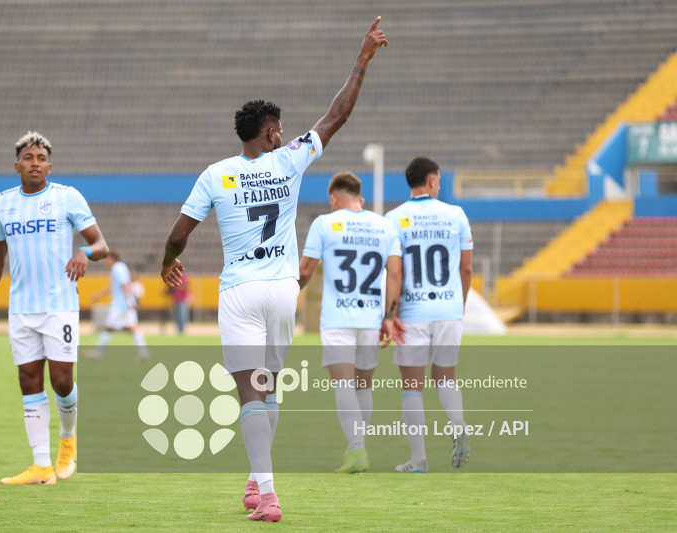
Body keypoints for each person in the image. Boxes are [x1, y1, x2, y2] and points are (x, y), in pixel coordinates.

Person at [160, 17, 388, 522]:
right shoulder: (289, 160)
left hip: (239, 290)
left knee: (248, 392)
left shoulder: (215, 174)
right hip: (285, 290)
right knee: (270, 386)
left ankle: (267, 492)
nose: (283, 133)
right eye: (279, 128)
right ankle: (256, 478)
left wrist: (168, 265)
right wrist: (362, 60)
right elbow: (337, 114)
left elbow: (179, 234)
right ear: (269, 133)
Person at [0, 132, 109, 485]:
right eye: (28, 157)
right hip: (21, 309)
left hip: (60, 306)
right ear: (17, 164)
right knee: (28, 380)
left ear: (49, 165)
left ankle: (68, 442)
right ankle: (40, 466)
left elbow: (101, 244)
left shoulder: (67, 198)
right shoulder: (2, 203)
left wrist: (83, 252)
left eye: (40, 158)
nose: (34, 162)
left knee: (61, 380)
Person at [298, 171, 404, 474]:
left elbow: (305, 271)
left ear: (334, 199)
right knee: (363, 386)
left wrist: (286, 292)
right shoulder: (385, 227)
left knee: (343, 384)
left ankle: (357, 449)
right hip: (371, 318)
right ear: (362, 199)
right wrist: (389, 315)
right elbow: (395, 274)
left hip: (337, 318)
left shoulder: (324, 223)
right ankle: (357, 448)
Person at [384, 156, 473, 473]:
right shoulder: (456, 214)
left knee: (412, 386)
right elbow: (466, 267)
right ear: (433, 181)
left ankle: (419, 459)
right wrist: (458, 306)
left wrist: (389, 314)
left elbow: (394, 273)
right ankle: (459, 424)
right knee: (446, 377)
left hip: (412, 311)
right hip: (449, 308)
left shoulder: (393, 219)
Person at [87, 250, 150, 360]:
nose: (104, 262)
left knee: (109, 328)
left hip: (121, 305)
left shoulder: (118, 268)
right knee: (132, 328)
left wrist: (129, 302)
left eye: (105, 259)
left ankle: (98, 353)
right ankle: (144, 353)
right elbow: (114, 287)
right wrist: (99, 296)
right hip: (124, 304)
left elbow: (125, 285)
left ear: (111, 259)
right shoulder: (120, 268)